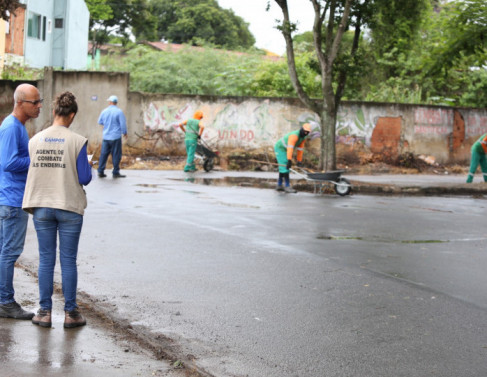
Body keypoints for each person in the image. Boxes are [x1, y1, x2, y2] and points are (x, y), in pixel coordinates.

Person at [23, 91, 92, 328]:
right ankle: (71, 314)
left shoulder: (35, 140)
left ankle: (44, 312)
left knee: (45, 260)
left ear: (54, 112)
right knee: (68, 260)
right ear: (72, 115)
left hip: (42, 206)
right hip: (69, 207)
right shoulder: (78, 141)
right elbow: (84, 177)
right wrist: (88, 165)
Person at [0, 83, 42, 320]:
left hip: (10, 198)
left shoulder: (16, 126)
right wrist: (37, 160)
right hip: (12, 200)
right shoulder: (11, 127)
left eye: (39, 101)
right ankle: (5, 302)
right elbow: (9, 163)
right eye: (34, 102)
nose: (38, 106)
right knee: (9, 252)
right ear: (20, 103)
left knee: (5, 252)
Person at [274, 123, 312, 193]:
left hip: (286, 150)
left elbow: (300, 149)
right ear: (301, 129)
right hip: (280, 148)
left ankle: (279, 185)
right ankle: (287, 186)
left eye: (307, 132)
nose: (306, 133)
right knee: (285, 167)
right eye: (305, 131)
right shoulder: (294, 136)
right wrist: (289, 160)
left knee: (283, 168)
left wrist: (299, 161)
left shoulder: (303, 137)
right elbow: (290, 148)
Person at [97, 95, 127, 178]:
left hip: (106, 137)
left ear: (110, 102)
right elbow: (123, 124)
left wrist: (106, 127)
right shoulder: (119, 112)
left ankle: (100, 171)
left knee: (103, 154)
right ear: (116, 103)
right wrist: (124, 132)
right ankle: (115, 172)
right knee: (116, 154)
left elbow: (100, 121)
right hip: (116, 137)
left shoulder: (104, 111)